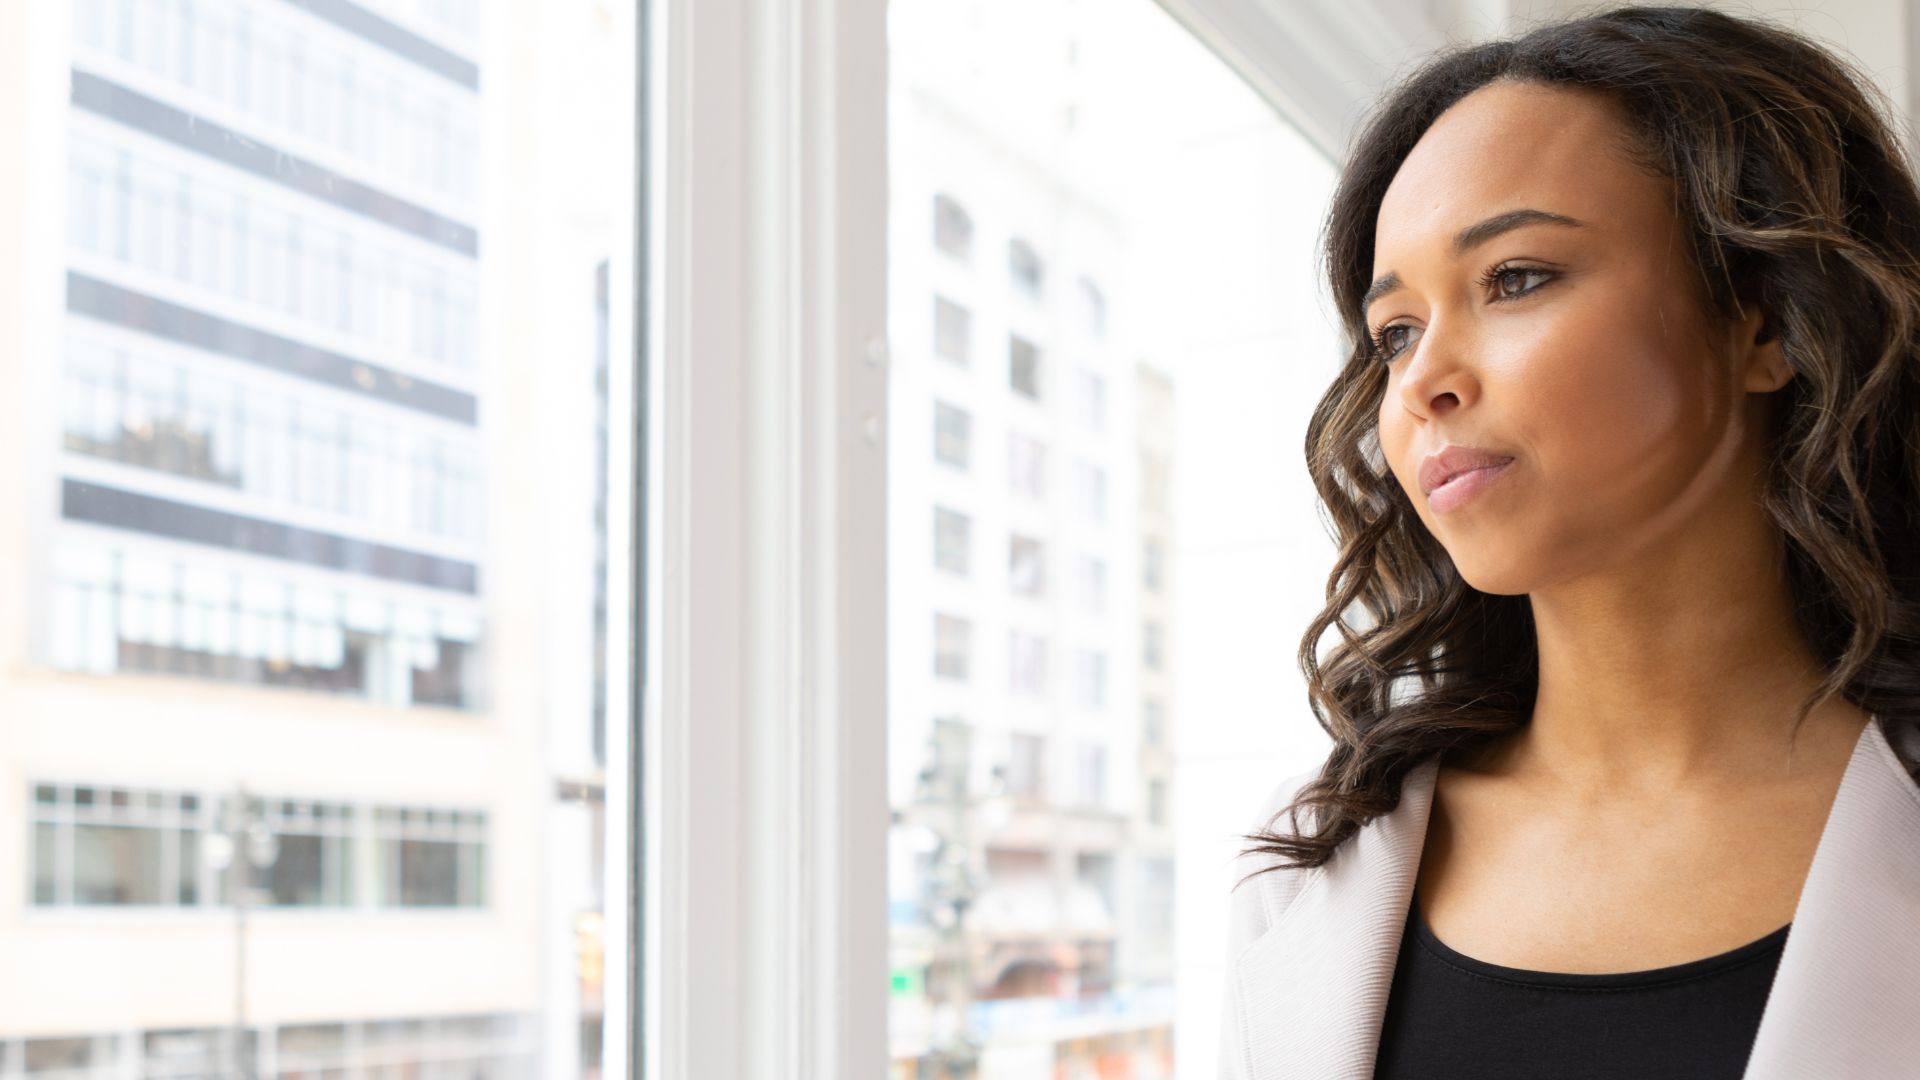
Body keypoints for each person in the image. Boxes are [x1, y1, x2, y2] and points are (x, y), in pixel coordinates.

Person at [1216, 6, 1920, 1079]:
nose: (1422, 381)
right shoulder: (1312, 865)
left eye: (1514, 278)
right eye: (1395, 332)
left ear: (1767, 320)